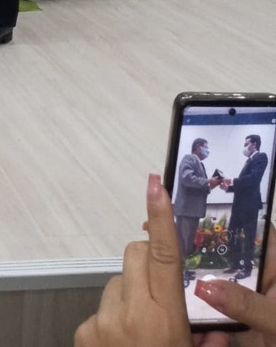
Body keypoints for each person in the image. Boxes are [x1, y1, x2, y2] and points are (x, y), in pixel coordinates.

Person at [75, 173, 276, 347]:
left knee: (185, 245)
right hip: (190, 209)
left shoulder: (257, 159)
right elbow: (188, 179)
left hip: (208, 208)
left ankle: (194, 271)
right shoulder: (191, 161)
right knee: (186, 243)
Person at [222, 135, 270, 282]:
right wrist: (228, 188)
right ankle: (235, 264)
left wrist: (232, 180)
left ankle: (247, 269)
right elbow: (243, 185)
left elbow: (253, 180)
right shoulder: (248, 161)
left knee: (248, 238)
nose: (244, 146)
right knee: (233, 235)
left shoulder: (261, 157)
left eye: (246, 143)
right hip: (238, 205)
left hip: (249, 205)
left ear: (254, 144)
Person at [174, 138, 223, 275]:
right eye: (206, 147)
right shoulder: (189, 158)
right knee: (183, 242)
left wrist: (211, 185)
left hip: (192, 210)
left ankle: (185, 269)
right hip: (186, 210)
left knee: (188, 242)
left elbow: (199, 186)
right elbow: (186, 178)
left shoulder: (200, 164)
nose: (207, 151)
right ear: (197, 147)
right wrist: (208, 181)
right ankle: (181, 272)